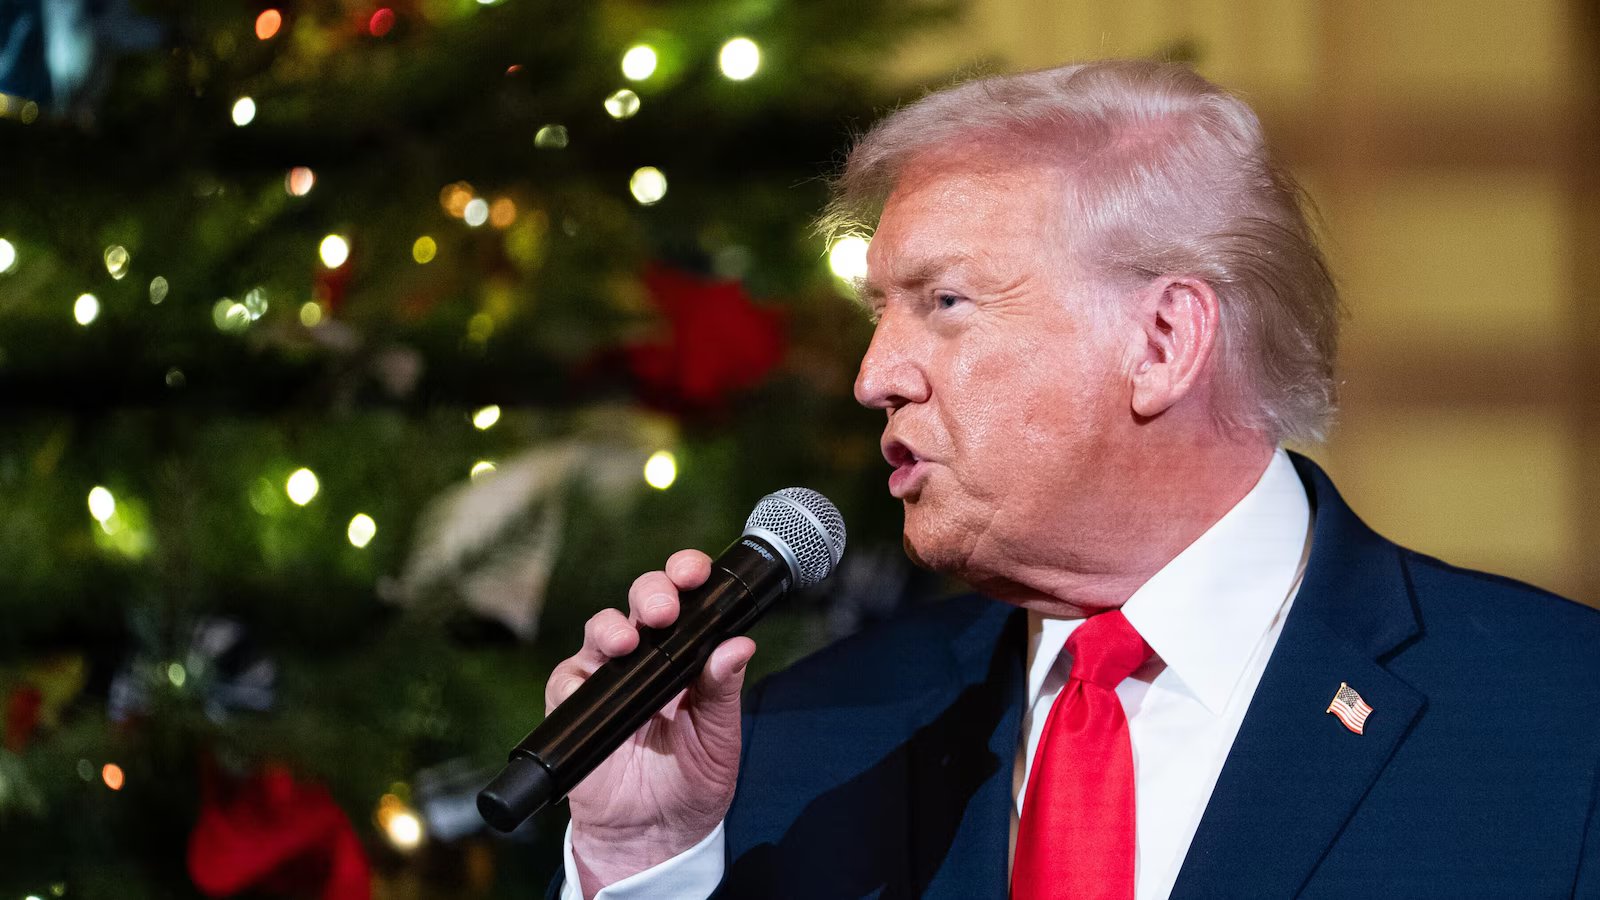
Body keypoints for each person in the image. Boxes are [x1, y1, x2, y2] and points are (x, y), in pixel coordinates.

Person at [543, 60, 1600, 899]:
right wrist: (644, 862)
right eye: (878, 314)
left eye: (944, 303)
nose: (873, 377)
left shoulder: (1560, 717)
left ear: (1162, 342)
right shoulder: (805, 738)